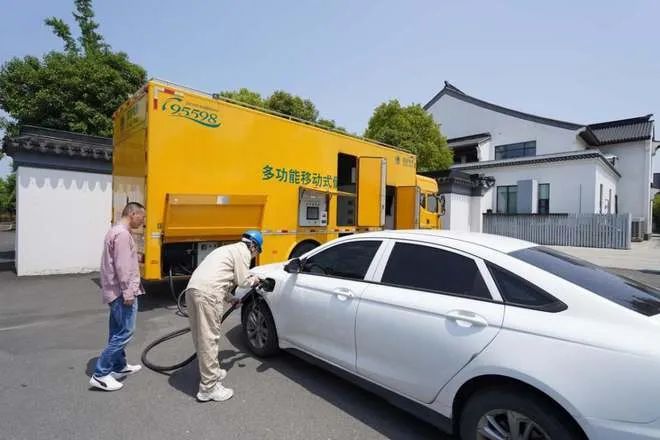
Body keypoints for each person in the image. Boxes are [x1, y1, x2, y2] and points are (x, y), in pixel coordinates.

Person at [185, 230, 263, 402]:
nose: (255, 255)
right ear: (254, 247)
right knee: (209, 340)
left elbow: (219, 278)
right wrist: (255, 280)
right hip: (208, 295)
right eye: (257, 252)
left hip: (192, 291)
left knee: (201, 338)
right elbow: (243, 280)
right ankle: (209, 388)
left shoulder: (227, 250)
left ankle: (211, 372)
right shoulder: (243, 252)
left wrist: (231, 299)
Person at [89, 202, 146, 391]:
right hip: (122, 293)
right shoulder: (122, 235)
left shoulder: (115, 231)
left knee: (116, 331)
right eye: (142, 217)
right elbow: (123, 267)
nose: (143, 221)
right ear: (132, 213)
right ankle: (101, 374)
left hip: (114, 291)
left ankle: (119, 366)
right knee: (125, 332)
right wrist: (128, 292)